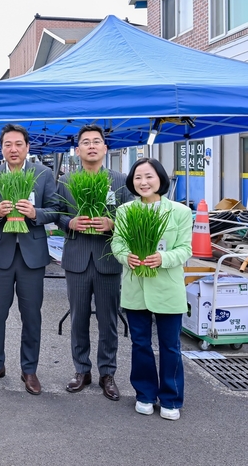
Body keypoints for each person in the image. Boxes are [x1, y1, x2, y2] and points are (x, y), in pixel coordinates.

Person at [56, 125, 134, 401]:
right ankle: (81, 370)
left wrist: (114, 223)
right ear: (77, 150)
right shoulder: (65, 181)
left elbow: (131, 216)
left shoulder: (121, 181)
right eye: (85, 142)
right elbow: (56, 214)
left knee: (108, 320)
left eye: (96, 142)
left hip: (108, 259)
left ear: (105, 148)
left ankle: (108, 373)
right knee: (78, 319)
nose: (91, 146)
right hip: (77, 258)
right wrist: (70, 222)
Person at [111, 158, 192, 421]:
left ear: (160, 179)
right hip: (136, 287)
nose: (143, 182)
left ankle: (170, 398)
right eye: (137, 178)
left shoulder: (179, 211)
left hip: (167, 288)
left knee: (170, 346)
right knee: (140, 344)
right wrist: (126, 257)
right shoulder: (125, 211)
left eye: (149, 176)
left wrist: (163, 259)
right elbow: (118, 244)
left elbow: (185, 249)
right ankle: (145, 394)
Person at [0, 124, 58, 394]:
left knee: (31, 315)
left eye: (18, 144)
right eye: (8, 145)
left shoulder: (43, 174)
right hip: (1, 255)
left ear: (27, 147)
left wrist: (35, 213)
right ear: (2, 148)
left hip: (32, 256)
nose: (13, 149)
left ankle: (29, 369)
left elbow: (55, 211)